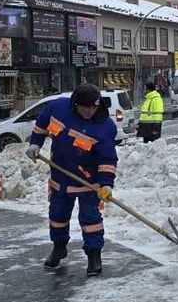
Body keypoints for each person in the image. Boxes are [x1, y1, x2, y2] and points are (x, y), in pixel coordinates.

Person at [25, 83, 118, 276]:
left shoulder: (104, 127)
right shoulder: (57, 109)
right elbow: (41, 125)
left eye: (93, 107)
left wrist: (106, 184)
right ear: (75, 104)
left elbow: (107, 159)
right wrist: (35, 143)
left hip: (88, 182)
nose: (90, 111)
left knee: (90, 220)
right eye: (85, 107)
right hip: (60, 177)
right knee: (57, 217)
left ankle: (94, 255)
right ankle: (59, 247)